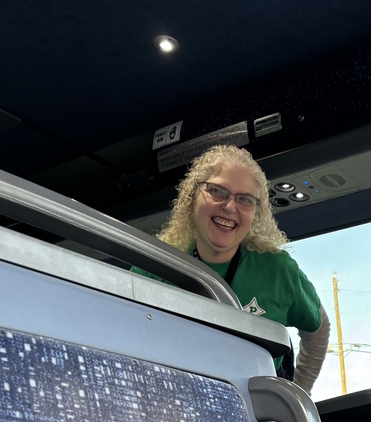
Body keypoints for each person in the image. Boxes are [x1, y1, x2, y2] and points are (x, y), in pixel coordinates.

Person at [135, 144, 329, 393]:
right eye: (217, 191)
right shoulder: (156, 265)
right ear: (193, 197)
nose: (230, 206)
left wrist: (297, 397)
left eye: (245, 199)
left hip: (254, 417)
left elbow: (318, 328)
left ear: (256, 212)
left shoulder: (278, 270)